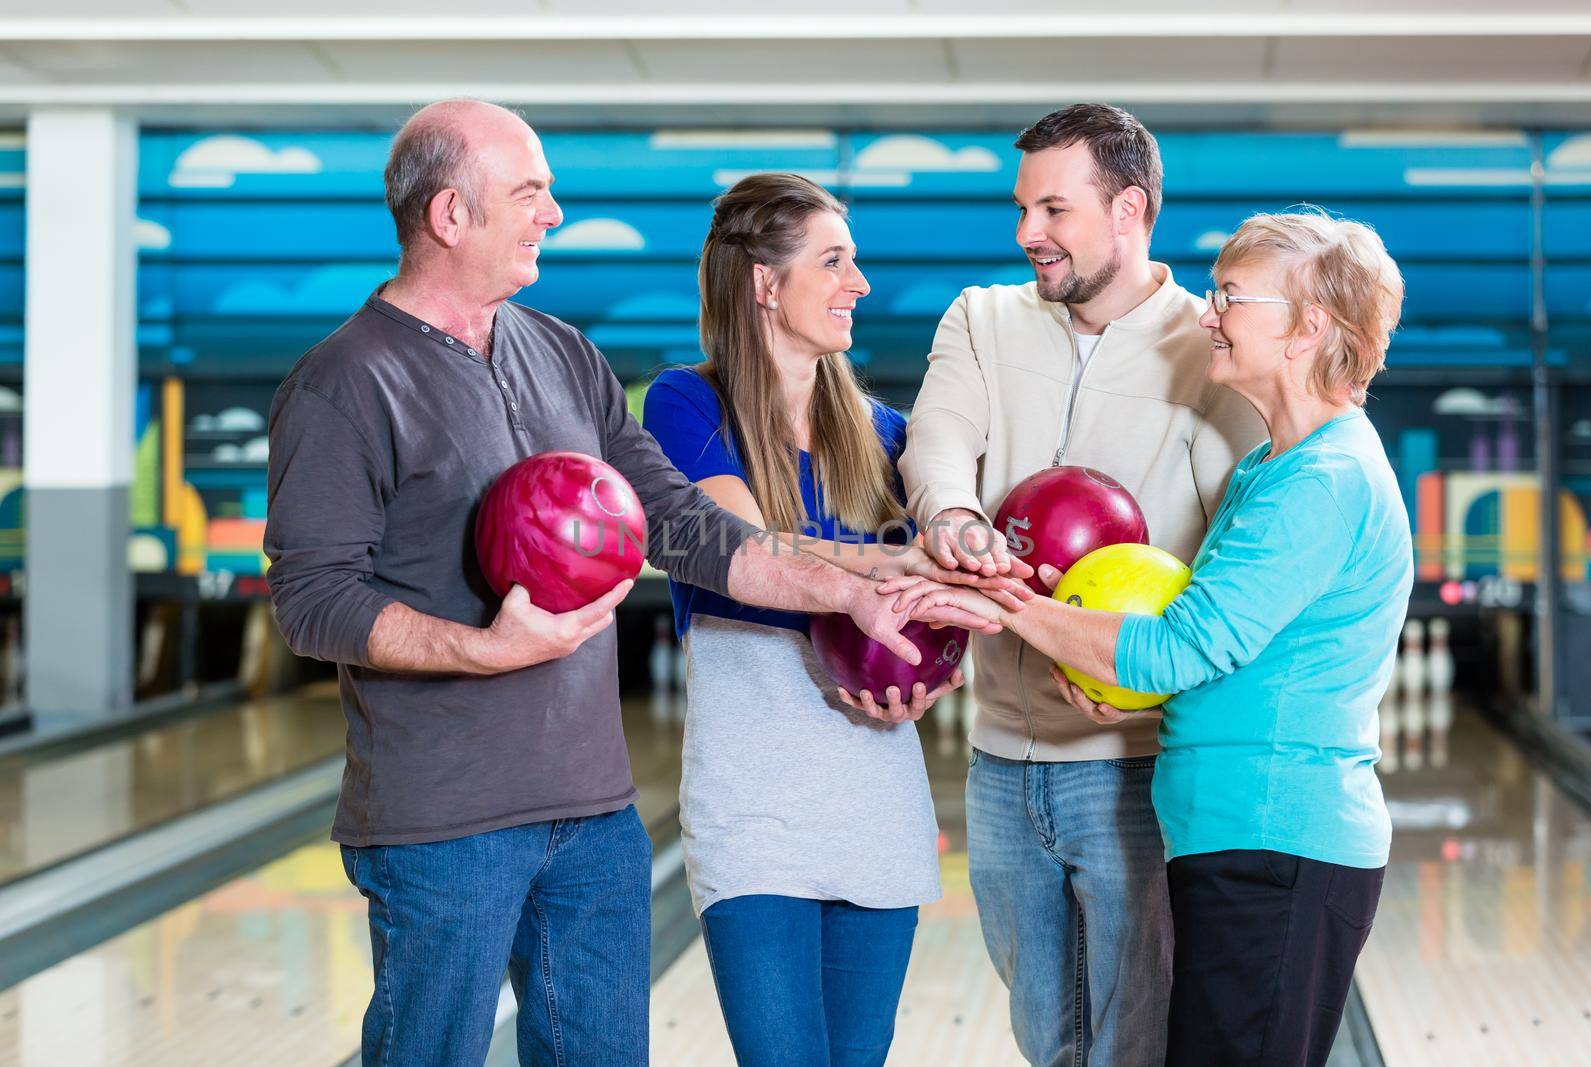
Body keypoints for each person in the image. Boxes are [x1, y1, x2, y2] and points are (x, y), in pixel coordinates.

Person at [264, 100, 990, 1067]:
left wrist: (849, 590)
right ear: (450, 215)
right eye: (530, 194)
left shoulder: (561, 352)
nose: (552, 214)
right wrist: (484, 649)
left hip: (594, 814)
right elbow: (314, 599)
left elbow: (686, 526)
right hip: (441, 822)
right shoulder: (343, 383)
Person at [936, 209, 1411, 1067]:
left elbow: (1175, 650)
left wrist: (1001, 597)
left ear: (1309, 327)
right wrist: (1112, 681)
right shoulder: (1272, 469)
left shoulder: (1326, 481)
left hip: (1278, 845)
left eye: (1230, 295)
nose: (1206, 314)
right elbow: (1204, 657)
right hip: (1238, 839)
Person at [898, 104, 1265, 1065]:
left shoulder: (1214, 350)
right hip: (1001, 764)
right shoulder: (981, 317)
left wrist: (1154, 688)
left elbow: (1243, 568)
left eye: (1053, 209)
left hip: (1139, 766)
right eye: (1023, 208)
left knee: (1133, 1042)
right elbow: (938, 439)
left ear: (1129, 209)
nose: (1028, 234)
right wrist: (950, 512)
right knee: (1046, 1040)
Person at [642, 173, 1032, 1067]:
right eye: (834, 259)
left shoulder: (888, 434)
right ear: (763, 284)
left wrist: (934, 673)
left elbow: (936, 608)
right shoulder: (686, 403)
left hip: (874, 795)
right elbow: (744, 549)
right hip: (752, 804)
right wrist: (892, 564)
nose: (859, 282)